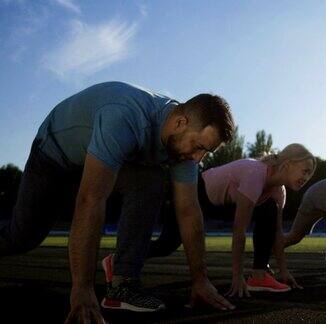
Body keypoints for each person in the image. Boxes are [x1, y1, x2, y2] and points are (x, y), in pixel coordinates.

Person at [0, 81, 236, 323]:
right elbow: (91, 199)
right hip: (54, 157)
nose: (198, 159)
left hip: (96, 159)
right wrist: (82, 290)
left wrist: (200, 279)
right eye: (198, 147)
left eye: (205, 152)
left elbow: (188, 210)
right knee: (22, 236)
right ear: (180, 123)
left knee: (151, 179)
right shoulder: (124, 115)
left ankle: (123, 285)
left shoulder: (183, 144)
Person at [140, 144, 316, 297]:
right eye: (305, 171)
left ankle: (259, 275)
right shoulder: (255, 174)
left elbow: (277, 233)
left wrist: (284, 271)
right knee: (166, 245)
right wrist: (237, 276)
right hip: (197, 192)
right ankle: (124, 257)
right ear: (287, 164)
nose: (306, 178)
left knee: (269, 209)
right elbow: (239, 230)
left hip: (226, 204)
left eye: (310, 175)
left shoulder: (279, 191)